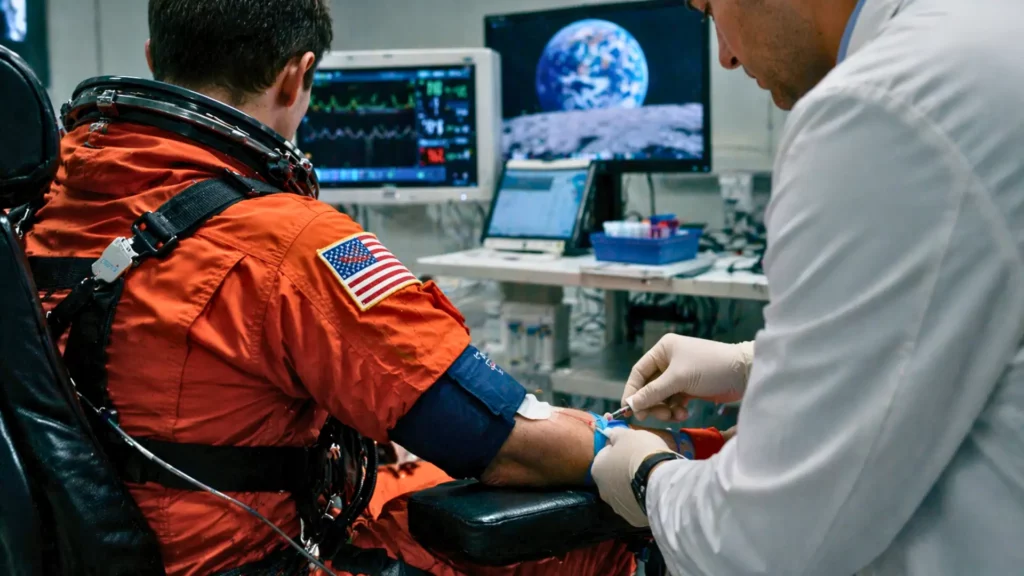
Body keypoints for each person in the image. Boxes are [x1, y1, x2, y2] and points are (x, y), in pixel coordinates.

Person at [22, 1, 728, 575]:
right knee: (600, 538)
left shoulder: (39, 204)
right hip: (252, 552)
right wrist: (664, 452)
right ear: (296, 79)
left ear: (153, 60)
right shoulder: (291, 243)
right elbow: (502, 439)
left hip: (99, 538)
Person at [591, 0, 1024, 574]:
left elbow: (766, 542)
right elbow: (958, 319)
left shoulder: (882, 107)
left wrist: (647, 474)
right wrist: (755, 363)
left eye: (709, 9)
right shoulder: (986, 34)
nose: (724, 55)